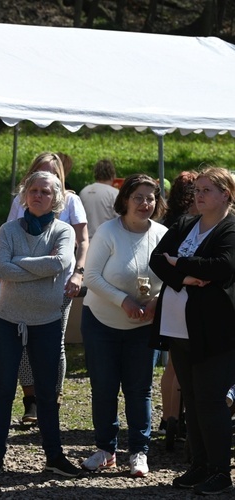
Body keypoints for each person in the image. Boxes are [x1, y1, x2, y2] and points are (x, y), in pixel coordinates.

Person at [0, 170, 81, 477]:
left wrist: (19, 262)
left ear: (56, 199)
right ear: (25, 195)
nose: (39, 195)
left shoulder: (64, 231)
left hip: (47, 322)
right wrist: (39, 267)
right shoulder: (8, 230)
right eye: (34, 190)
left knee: (47, 393)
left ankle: (54, 456)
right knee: (3, 391)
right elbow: (0, 268)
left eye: (46, 192)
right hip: (8, 321)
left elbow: (62, 263)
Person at [149, 166, 235, 495]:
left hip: (215, 332)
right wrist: (184, 277)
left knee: (211, 400)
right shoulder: (186, 224)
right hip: (177, 328)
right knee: (194, 400)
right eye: (197, 190)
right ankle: (199, 465)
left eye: (206, 190)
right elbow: (157, 259)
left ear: (225, 194)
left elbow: (222, 267)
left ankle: (220, 472)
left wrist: (178, 264)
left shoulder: (230, 227)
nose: (198, 196)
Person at [80, 173, 167, 478]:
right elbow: (91, 278)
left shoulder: (163, 234)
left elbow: (172, 278)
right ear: (125, 200)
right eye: (139, 197)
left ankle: (139, 452)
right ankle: (105, 450)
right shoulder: (108, 231)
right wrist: (124, 301)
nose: (145, 203)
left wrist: (156, 302)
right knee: (103, 387)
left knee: (139, 389)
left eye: (151, 197)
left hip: (143, 326)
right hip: (101, 323)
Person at [7, 152, 88, 423]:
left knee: (55, 342)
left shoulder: (72, 201)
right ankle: (31, 401)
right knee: (23, 341)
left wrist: (78, 272)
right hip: (23, 282)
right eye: (39, 171)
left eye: (52, 172)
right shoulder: (21, 200)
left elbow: (82, 241)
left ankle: (52, 396)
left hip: (59, 283)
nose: (45, 177)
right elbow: (8, 239)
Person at [157, 170, 198, 447]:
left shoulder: (173, 220)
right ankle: (176, 421)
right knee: (179, 366)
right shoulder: (189, 225)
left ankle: (169, 419)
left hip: (171, 296)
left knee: (173, 366)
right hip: (181, 298)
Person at [79, 159, 119, 240]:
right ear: (113, 175)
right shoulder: (114, 193)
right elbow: (122, 220)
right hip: (107, 241)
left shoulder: (83, 191)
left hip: (85, 240)